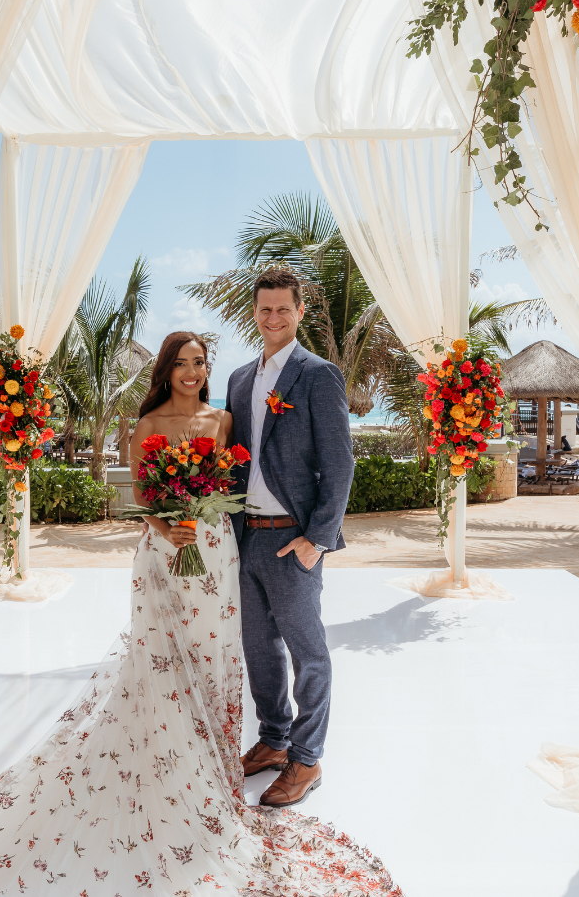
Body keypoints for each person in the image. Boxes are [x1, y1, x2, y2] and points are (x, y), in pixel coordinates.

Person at [0, 328, 399, 896]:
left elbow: (240, 477)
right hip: (166, 551)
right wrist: (167, 524)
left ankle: (227, 755)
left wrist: (229, 523)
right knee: (162, 654)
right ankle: (181, 754)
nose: (193, 370)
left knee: (220, 653)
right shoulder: (147, 421)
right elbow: (139, 496)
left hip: (218, 549)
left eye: (200, 361)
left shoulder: (226, 415)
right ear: (165, 369)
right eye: (182, 362)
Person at [225, 268, 354, 808]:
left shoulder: (317, 375)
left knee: (308, 653)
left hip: (293, 539)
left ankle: (308, 758)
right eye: (264, 309)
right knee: (258, 649)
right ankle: (274, 741)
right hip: (246, 537)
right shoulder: (237, 379)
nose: (273, 318)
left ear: (299, 312)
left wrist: (317, 539)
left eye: (283, 309)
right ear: (254, 314)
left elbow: (340, 463)